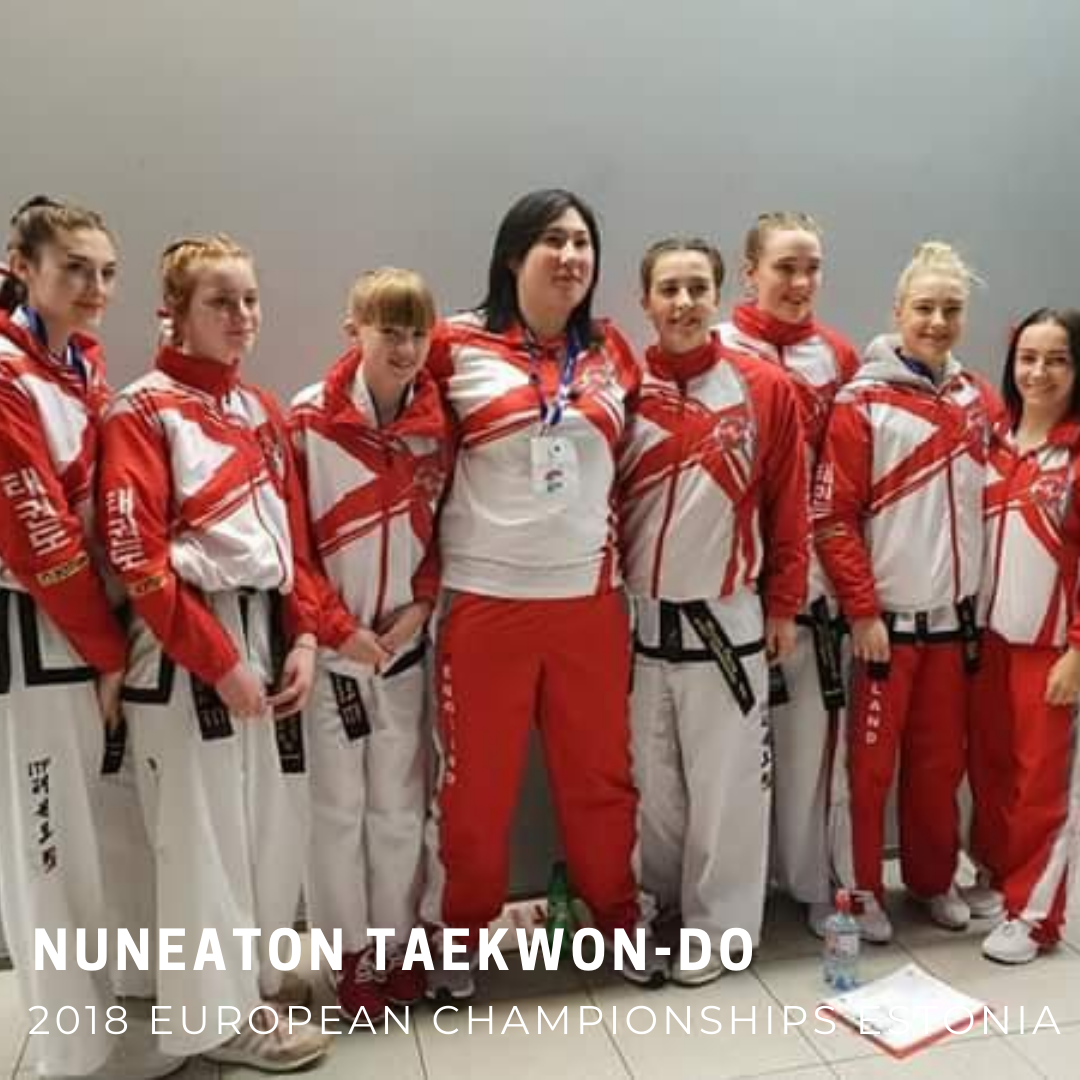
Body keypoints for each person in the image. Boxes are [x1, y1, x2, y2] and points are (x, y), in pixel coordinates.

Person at [97, 235, 342, 1072]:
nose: (241, 317)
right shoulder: (140, 412)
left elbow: (295, 538)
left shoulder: (261, 410)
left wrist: (302, 635)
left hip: (263, 634)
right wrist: (219, 662)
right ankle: (215, 1020)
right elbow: (138, 558)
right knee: (198, 840)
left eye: (249, 300)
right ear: (174, 312)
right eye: (220, 302)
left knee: (263, 831)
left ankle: (253, 986)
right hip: (184, 648)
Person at [421, 188, 658, 995]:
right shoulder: (453, 343)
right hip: (484, 600)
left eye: (583, 242)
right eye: (554, 240)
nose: (571, 256)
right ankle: (459, 940)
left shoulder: (612, 350)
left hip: (590, 601)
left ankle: (617, 921)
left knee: (601, 780)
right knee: (475, 791)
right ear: (513, 255)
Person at [0, 196, 167, 1078]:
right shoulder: (6, 374)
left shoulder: (82, 365)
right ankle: (70, 1054)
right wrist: (107, 652)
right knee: (48, 843)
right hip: (35, 632)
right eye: (74, 269)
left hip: (93, 627)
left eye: (106, 272)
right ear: (22, 268)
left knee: (105, 831)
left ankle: (116, 1018)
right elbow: (38, 535)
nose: (96, 287)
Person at [619, 238, 808, 984]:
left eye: (698, 287)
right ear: (645, 301)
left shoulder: (763, 388)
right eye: (669, 288)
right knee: (651, 787)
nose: (684, 302)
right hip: (637, 622)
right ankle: (660, 906)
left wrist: (785, 605)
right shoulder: (621, 386)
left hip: (727, 619)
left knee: (727, 789)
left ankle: (721, 929)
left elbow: (789, 506)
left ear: (721, 296)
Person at [813, 241, 1000, 943]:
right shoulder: (861, 402)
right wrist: (863, 611)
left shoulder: (978, 399)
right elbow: (832, 518)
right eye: (925, 307)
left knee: (939, 765)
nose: (938, 322)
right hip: (884, 630)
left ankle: (931, 879)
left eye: (952, 309)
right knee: (867, 771)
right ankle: (860, 890)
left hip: (954, 626)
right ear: (898, 311)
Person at [290, 268, 452, 1019]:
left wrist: (422, 603)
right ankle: (347, 958)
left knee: (400, 807)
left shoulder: (437, 426)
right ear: (352, 329)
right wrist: (336, 629)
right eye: (389, 330)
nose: (405, 347)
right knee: (336, 812)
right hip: (334, 659)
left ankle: (397, 947)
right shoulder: (307, 420)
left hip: (404, 650)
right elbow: (289, 547)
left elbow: (446, 532)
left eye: (417, 332)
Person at [718, 211, 859, 936]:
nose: (800, 282)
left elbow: (848, 478)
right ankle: (721, 893)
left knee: (809, 750)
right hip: (732, 584)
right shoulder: (716, 349)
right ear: (750, 273)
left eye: (812, 268)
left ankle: (809, 880)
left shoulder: (839, 356)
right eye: (785, 267)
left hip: (814, 590)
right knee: (729, 759)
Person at [970, 308, 1080, 963]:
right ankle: (996, 878)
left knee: (1042, 785)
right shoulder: (992, 442)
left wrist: (1078, 650)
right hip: (989, 642)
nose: (1039, 372)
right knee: (991, 773)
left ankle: (1035, 917)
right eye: (1028, 358)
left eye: (1057, 360)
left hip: (1051, 648)